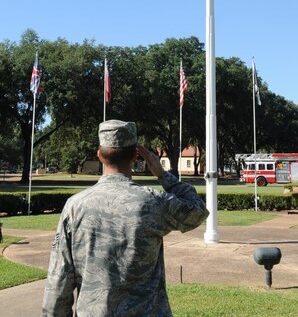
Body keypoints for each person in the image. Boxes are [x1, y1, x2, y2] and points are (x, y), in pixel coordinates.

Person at [42, 119, 209, 316]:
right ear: (135, 157)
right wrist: (162, 174)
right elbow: (197, 210)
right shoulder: (152, 202)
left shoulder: (74, 206)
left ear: (99, 156)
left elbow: (58, 279)